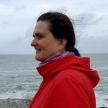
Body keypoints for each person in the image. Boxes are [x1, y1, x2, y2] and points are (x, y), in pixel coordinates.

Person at [28, 11, 99, 108]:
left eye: (39, 36)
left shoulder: (67, 81)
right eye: (34, 37)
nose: (32, 43)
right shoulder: (55, 76)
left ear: (61, 43)